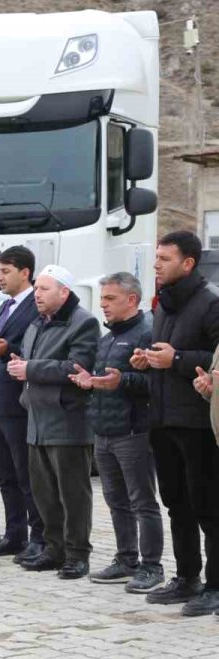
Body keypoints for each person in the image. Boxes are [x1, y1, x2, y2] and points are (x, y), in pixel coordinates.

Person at [135, 230, 219, 615]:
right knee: (176, 504)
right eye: (156, 258)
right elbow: (165, 353)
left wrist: (178, 361)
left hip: (198, 423)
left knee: (208, 506)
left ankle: (216, 586)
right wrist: (147, 360)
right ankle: (187, 577)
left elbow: (214, 359)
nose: (156, 264)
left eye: (164, 259)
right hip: (163, 418)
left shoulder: (210, 303)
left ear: (188, 263)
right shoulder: (164, 304)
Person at [68, 273, 163, 593]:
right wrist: (89, 382)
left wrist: (120, 381)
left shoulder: (147, 334)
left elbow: (154, 385)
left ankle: (152, 566)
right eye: (102, 298)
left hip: (133, 431)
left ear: (132, 300)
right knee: (116, 501)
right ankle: (126, 560)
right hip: (104, 432)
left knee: (142, 501)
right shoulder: (107, 339)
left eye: (110, 299)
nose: (103, 305)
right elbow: (105, 380)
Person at [8, 264, 99, 579]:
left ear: (64, 291)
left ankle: (77, 555)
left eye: (44, 289)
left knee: (73, 494)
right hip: (37, 420)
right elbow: (30, 363)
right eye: (35, 289)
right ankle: (54, 549)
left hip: (67, 421)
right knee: (44, 493)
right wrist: (23, 370)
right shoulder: (35, 324)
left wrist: (30, 368)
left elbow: (76, 367)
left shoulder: (83, 323)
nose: (37, 294)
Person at [0, 246, 44, 562]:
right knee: (4, 474)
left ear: (25, 272)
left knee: (24, 474)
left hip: (15, 404)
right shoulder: (3, 307)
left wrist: (8, 348)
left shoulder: (36, 306)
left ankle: (38, 537)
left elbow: (32, 347)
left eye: (5, 271)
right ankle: (14, 535)